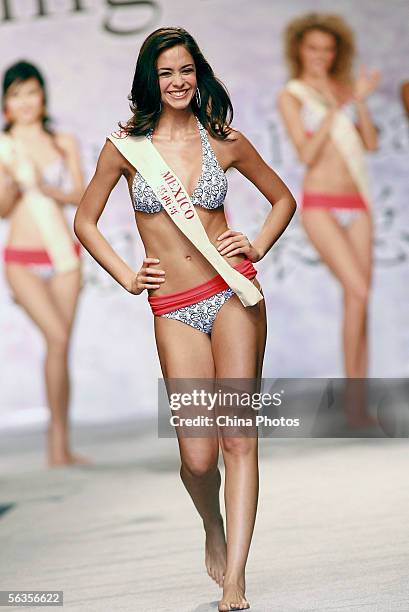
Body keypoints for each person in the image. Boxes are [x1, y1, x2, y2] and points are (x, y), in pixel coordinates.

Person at [74, 27, 296, 611]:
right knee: (197, 458)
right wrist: (126, 274)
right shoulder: (126, 146)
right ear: (151, 80)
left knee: (237, 439)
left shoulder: (223, 139)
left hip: (231, 294)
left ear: (199, 76)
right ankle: (212, 527)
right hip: (172, 307)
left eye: (187, 70)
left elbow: (283, 199)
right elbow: (85, 220)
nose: (178, 82)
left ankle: (236, 581)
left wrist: (257, 246)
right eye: (166, 72)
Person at [278, 13, 380, 382]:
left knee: (360, 300)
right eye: (313, 48)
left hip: (359, 203)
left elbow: (370, 143)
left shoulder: (346, 88)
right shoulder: (293, 94)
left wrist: (360, 101)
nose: (321, 55)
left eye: (328, 49)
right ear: (299, 51)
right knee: (359, 289)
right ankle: (356, 400)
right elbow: (306, 154)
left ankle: (358, 400)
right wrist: (335, 108)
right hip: (321, 203)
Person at [0, 60, 88, 467]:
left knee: (61, 346)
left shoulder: (63, 141)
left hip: (64, 257)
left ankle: (62, 445)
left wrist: (45, 185)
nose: (24, 102)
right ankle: (55, 447)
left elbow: (81, 195)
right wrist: (12, 181)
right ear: (5, 102)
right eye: (15, 94)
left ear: (43, 96)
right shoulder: (3, 147)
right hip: (22, 260)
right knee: (55, 338)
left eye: (31, 92)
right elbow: (2, 210)